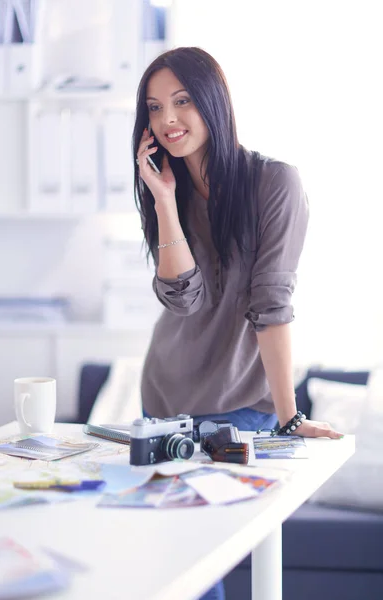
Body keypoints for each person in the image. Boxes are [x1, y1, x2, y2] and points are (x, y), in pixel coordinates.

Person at [133, 46, 342, 600]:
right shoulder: (165, 188)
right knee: (178, 566)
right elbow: (183, 300)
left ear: (213, 101)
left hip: (242, 406)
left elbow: (270, 306)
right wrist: (165, 202)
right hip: (164, 398)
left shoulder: (274, 184)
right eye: (154, 108)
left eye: (181, 101)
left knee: (214, 553)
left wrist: (288, 415)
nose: (168, 120)